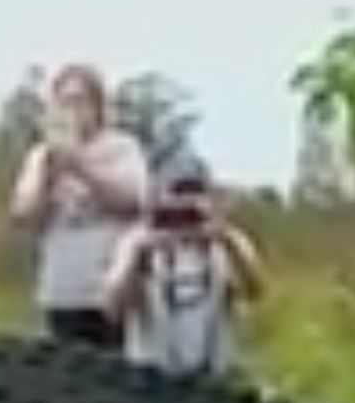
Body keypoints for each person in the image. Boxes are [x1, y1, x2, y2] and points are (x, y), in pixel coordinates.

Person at [9, 63, 150, 347]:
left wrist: (80, 167)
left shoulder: (123, 148)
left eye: (79, 101)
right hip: (61, 290)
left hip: (112, 291)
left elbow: (134, 200)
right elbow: (23, 215)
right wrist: (48, 178)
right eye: (64, 102)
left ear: (98, 106)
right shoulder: (40, 156)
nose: (72, 110)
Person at [101, 154, 264, 378]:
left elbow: (255, 290)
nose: (185, 206)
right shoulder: (135, 242)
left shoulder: (227, 242)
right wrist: (138, 258)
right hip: (151, 374)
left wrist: (226, 240)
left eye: (195, 194)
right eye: (178, 194)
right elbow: (112, 309)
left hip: (213, 372)